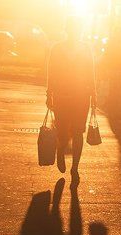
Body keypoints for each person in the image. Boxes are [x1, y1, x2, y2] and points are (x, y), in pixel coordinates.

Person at [46, 19, 97, 179]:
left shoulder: (85, 48)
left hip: (81, 97)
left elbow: (91, 72)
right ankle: (60, 150)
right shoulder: (57, 48)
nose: (76, 33)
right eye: (74, 30)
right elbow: (51, 72)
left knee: (78, 131)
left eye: (78, 30)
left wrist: (94, 94)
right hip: (62, 96)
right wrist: (49, 94)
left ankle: (75, 167)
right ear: (67, 31)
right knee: (62, 131)